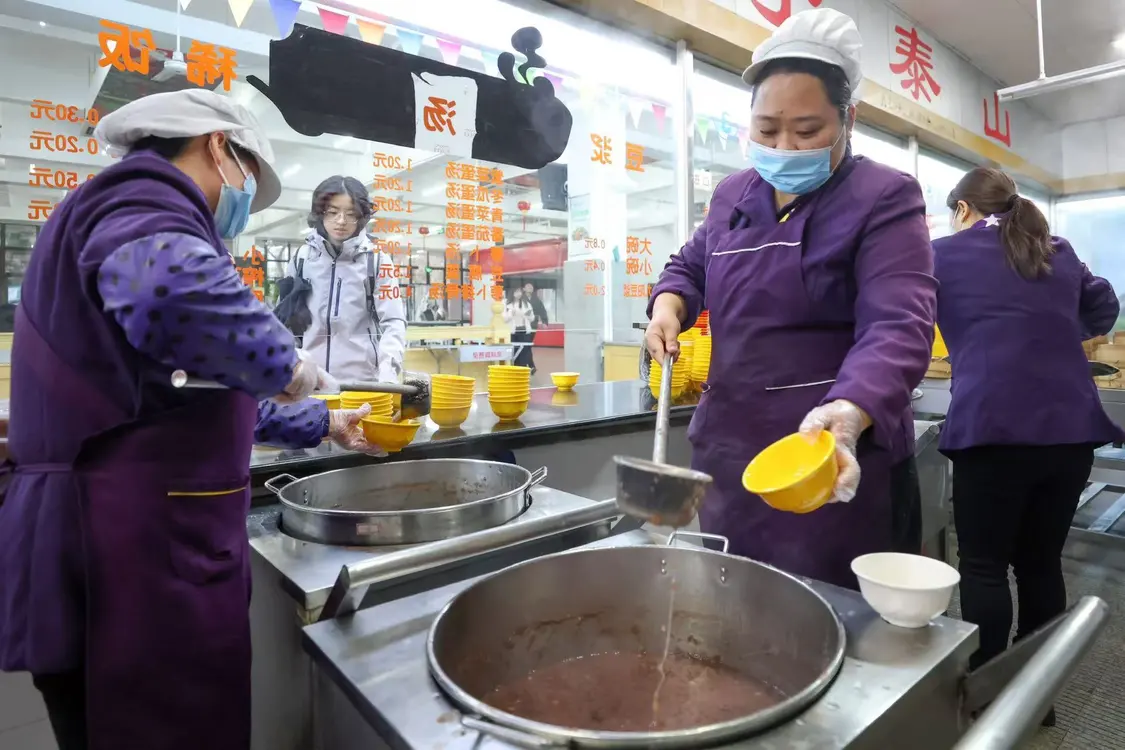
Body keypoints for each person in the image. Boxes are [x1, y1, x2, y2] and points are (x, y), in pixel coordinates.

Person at [0, 89, 383, 750]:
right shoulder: (140, 195)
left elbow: (189, 390)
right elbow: (169, 296)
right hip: (129, 555)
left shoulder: (127, 217)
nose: (235, 202)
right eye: (245, 179)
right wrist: (286, 363)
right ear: (217, 146)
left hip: (134, 542)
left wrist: (321, 422)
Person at [644, 8, 935, 589]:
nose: (783, 146)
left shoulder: (883, 196)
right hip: (730, 455)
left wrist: (850, 410)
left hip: (826, 454)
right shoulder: (733, 194)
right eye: (766, 129)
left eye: (806, 131)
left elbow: (898, 324)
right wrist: (668, 304)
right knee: (735, 604)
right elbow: (689, 266)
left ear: (848, 119)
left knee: (831, 615)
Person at [933, 167, 1122, 705]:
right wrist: (1052, 330)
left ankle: (988, 696)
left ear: (963, 209)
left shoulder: (940, 254)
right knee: (1040, 563)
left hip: (992, 427)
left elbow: (898, 312)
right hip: (1069, 430)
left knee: (984, 566)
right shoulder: (1055, 249)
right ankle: (1035, 696)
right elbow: (1104, 309)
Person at [278, 176, 407, 385]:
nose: (341, 221)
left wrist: (388, 374)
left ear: (362, 216)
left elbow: (393, 321)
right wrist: (290, 366)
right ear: (320, 212)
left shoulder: (377, 261)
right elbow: (285, 319)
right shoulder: (301, 259)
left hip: (362, 383)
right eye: (333, 212)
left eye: (351, 214)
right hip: (310, 382)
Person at [504, 287, 536, 370]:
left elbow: (532, 318)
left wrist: (528, 315)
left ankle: (526, 368)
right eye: (516, 291)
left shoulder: (526, 304)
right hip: (513, 332)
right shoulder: (506, 304)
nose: (519, 294)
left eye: (520, 292)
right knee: (514, 350)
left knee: (526, 350)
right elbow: (504, 319)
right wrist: (510, 314)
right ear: (512, 293)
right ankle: (515, 368)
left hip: (524, 331)